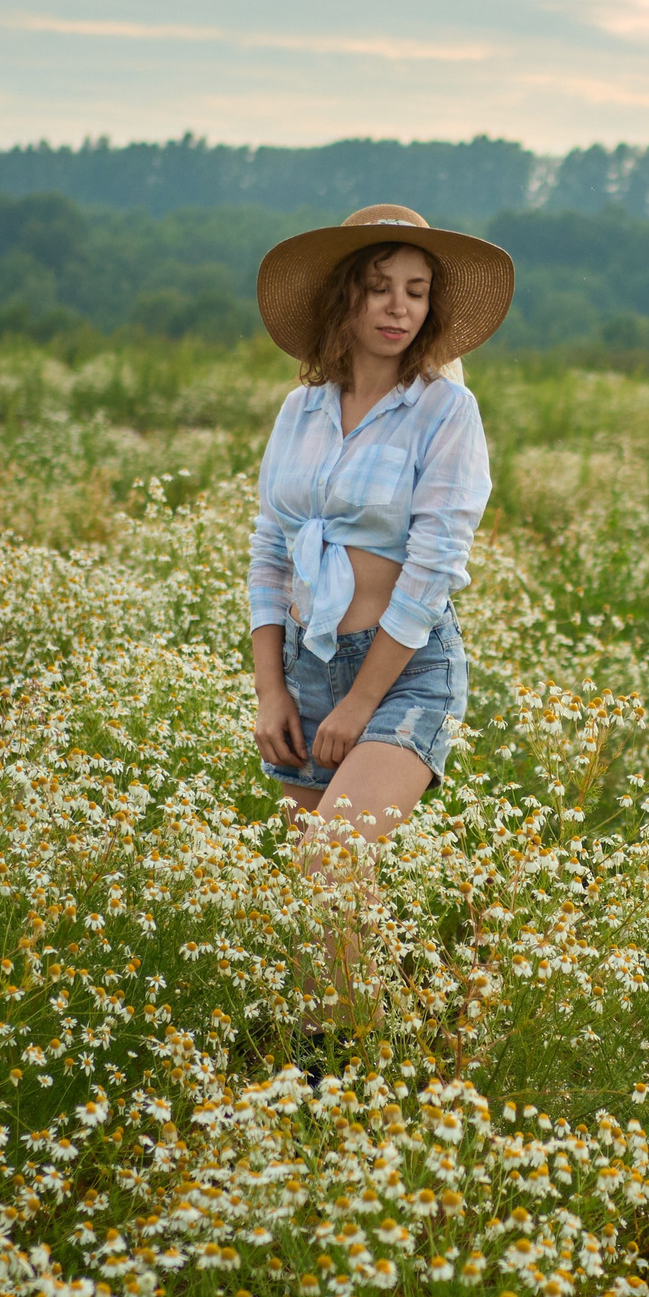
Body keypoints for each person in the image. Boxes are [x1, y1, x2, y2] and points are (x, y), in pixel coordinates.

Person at [246, 203, 512, 867]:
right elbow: (270, 553)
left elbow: (433, 570)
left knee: (329, 864)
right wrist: (271, 690)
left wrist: (362, 700)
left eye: (416, 293)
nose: (399, 308)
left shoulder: (446, 411)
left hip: (404, 674)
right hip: (306, 668)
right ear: (345, 297)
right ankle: (391, 978)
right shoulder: (299, 409)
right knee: (316, 907)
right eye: (379, 288)